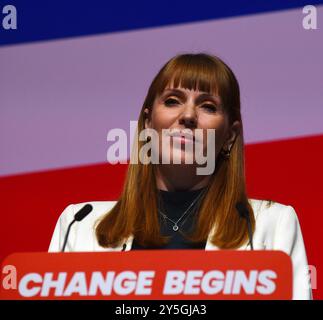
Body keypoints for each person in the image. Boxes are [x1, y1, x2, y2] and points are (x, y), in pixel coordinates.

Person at [48, 53, 312, 300]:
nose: (187, 116)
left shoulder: (271, 225)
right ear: (148, 123)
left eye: (208, 106)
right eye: (172, 101)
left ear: (230, 135)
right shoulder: (79, 225)